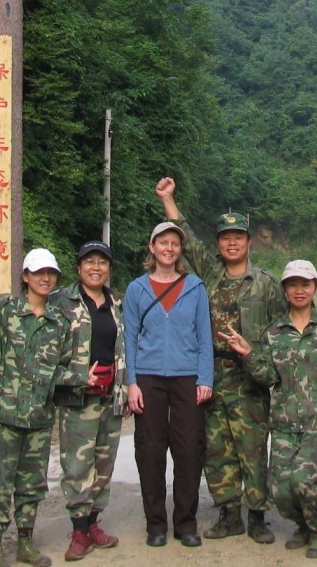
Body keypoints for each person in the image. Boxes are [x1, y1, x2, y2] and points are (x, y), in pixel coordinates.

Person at [154, 177, 286, 544]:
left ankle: (258, 515)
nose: (232, 242)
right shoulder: (209, 275)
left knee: (253, 448)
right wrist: (169, 199)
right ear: (219, 243)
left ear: (248, 241)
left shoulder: (265, 283)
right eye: (225, 237)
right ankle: (229, 512)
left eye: (238, 236)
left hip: (249, 377)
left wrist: (271, 371)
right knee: (217, 448)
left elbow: (281, 331)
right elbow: (187, 240)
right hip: (212, 375)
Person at [218, 259, 317, 559]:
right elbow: (268, 378)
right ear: (285, 289)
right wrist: (249, 354)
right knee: (280, 490)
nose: (299, 290)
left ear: (315, 287)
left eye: (305, 284)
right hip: (286, 421)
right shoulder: (274, 332)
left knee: (303, 482)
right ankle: (301, 525)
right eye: (292, 284)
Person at [122, 220, 214, 548]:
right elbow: (129, 338)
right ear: (152, 247)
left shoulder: (195, 287)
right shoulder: (137, 289)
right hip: (148, 377)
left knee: (189, 449)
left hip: (187, 375)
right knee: (150, 450)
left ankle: (186, 523)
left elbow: (205, 336)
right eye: (163, 243)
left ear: (180, 250)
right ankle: (156, 524)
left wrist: (205, 377)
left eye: (175, 244)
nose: (169, 249)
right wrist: (131, 382)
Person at [0, 248, 72, 567]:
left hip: (39, 416)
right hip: (4, 413)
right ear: (25, 277)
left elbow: (62, 365)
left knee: (32, 483)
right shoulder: (6, 309)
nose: (45, 278)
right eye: (38, 273)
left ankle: (25, 541)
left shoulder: (58, 321)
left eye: (51, 273)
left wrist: (79, 377)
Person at [50, 241, 127, 561]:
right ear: (78, 267)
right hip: (77, 398)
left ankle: (94, 523)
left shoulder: (117, 302)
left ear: (109, 268)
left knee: (104, 465)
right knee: (78, 465)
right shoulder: (61, 301)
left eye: (102, 262)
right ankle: (79, 530)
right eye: (89, 262)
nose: (96, 268)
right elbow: (32, 328)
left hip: (110, 396)